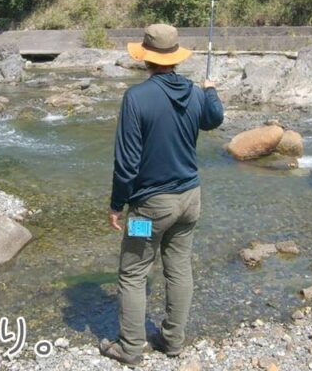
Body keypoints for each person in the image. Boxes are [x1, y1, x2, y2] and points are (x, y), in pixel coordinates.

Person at [99, 23, 224, 366]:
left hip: (149, 211)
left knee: (133, 272)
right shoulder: (195, 93)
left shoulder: (136, 98)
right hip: (189, 200)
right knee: (179, 268)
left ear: (145, 57)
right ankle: (172, 342)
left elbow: (126, 163)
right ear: (175, 57)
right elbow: (214, 119)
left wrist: (116, 205)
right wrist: (211, 91)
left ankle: (130, 349)